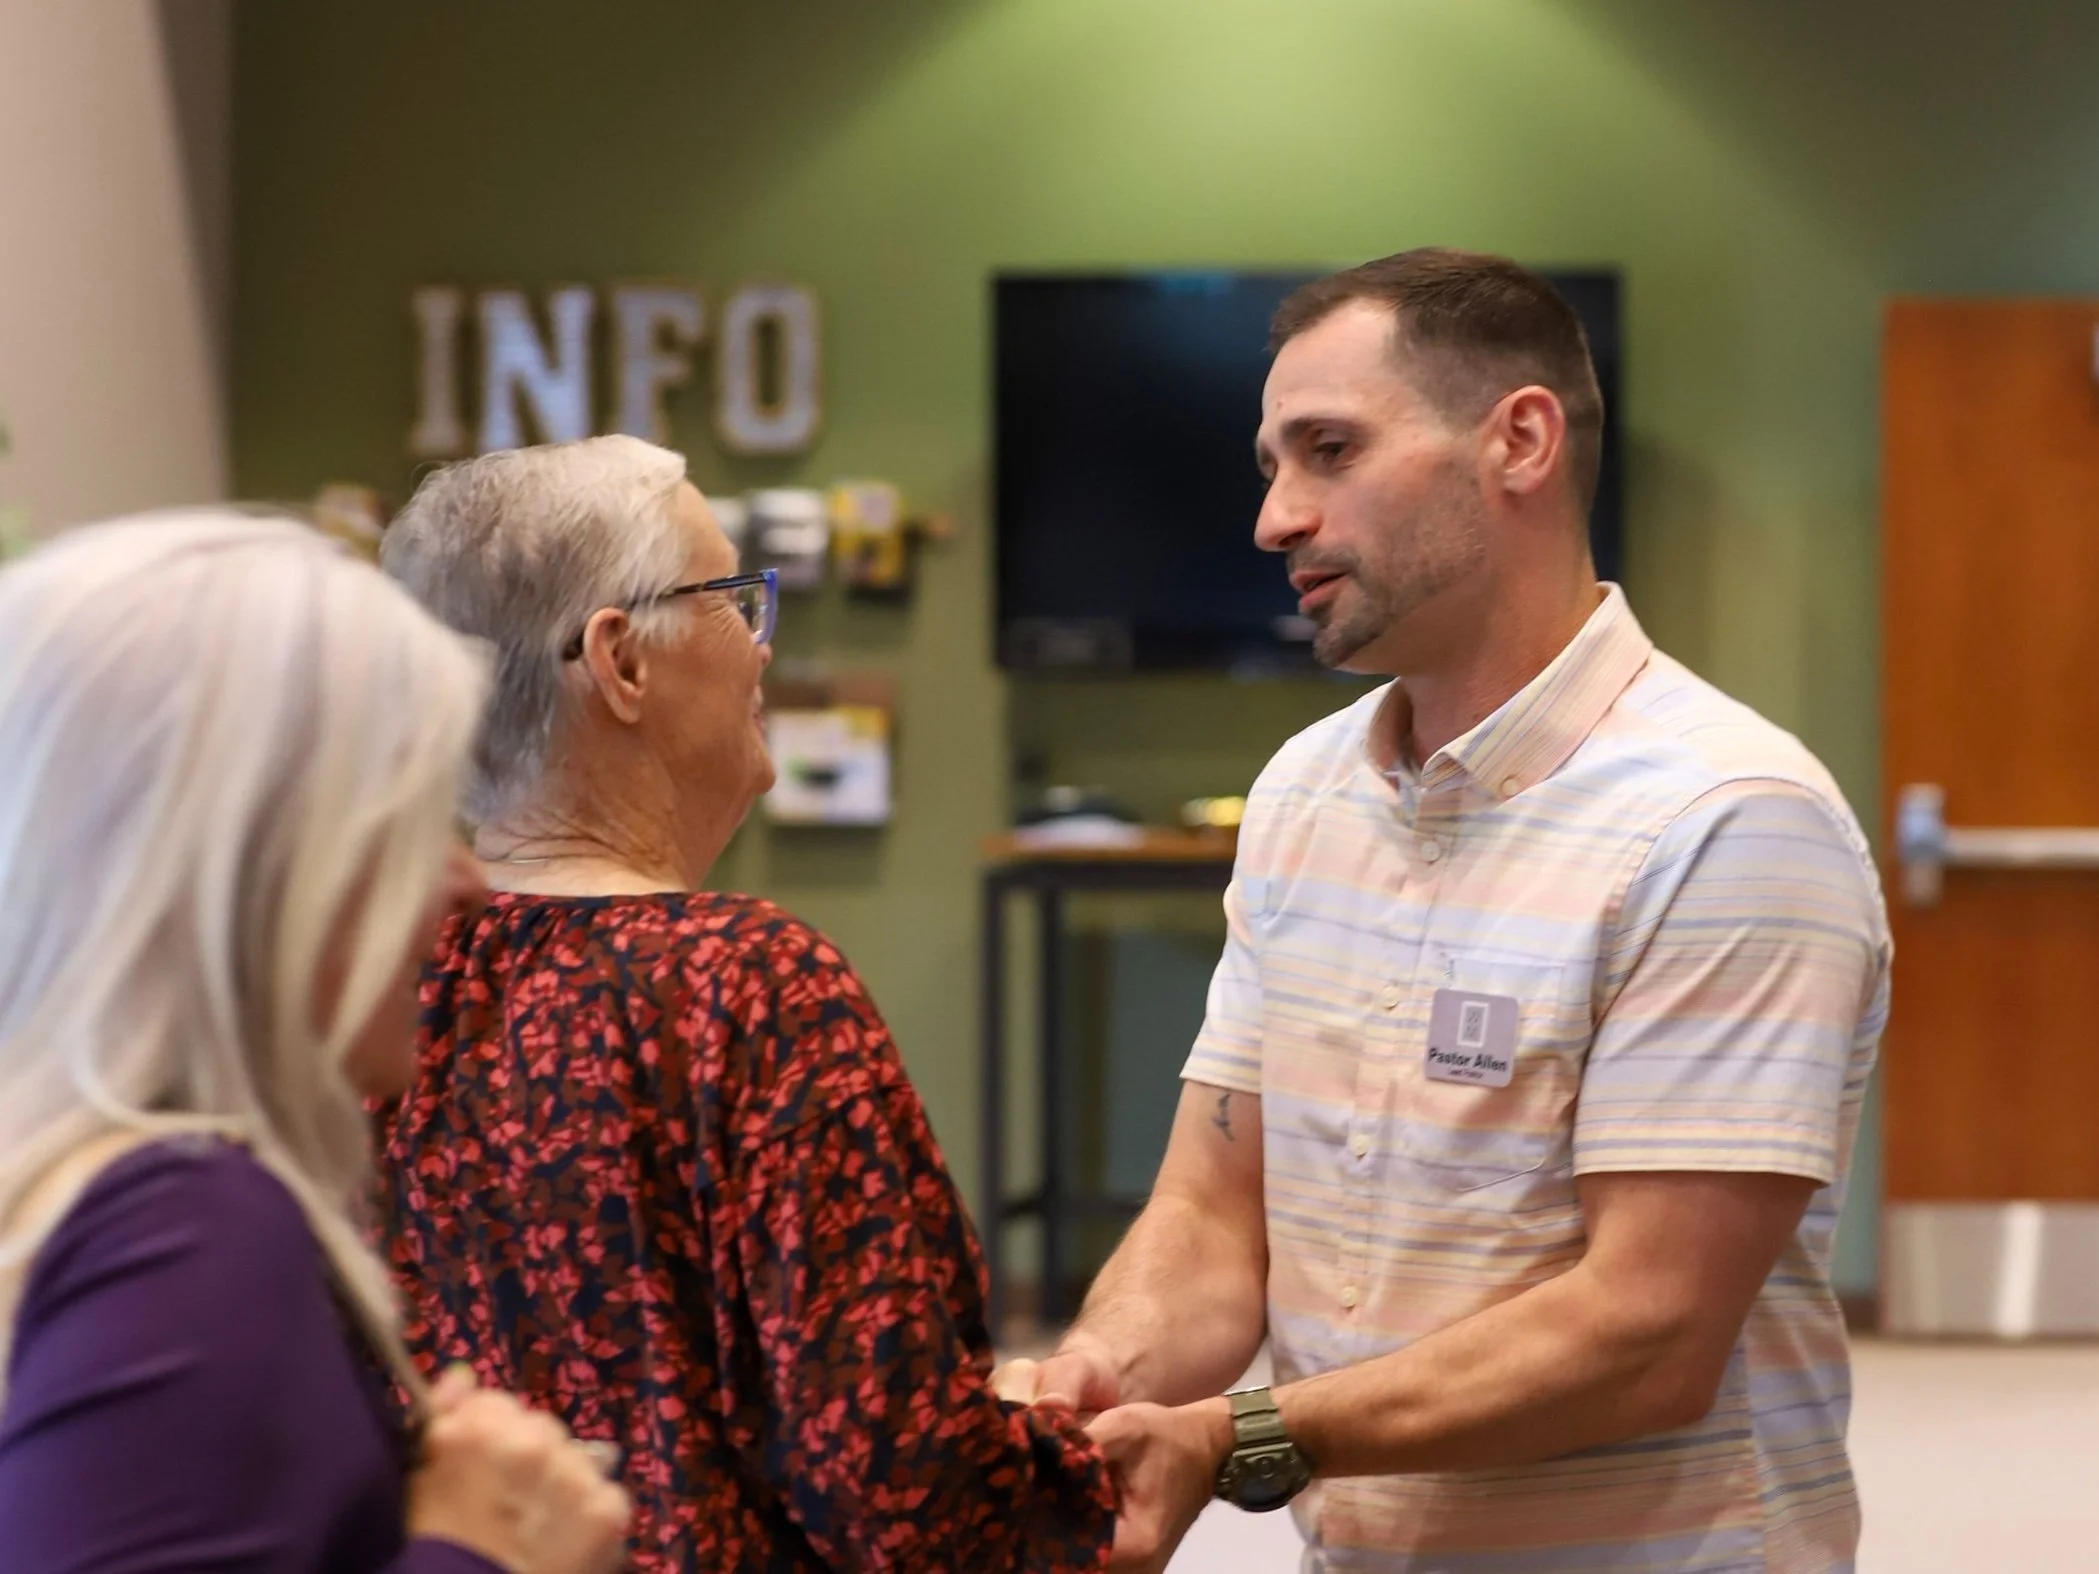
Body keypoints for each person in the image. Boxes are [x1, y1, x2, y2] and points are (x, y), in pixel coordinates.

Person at [996, 250, 1891, 1574]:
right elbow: (1209, 1206)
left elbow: (1645, 1331)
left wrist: (1234, 1435)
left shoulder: (1727, 815)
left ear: (1516, 440)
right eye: (1269, 464)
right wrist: (1091, 1387)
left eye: (1327, 450)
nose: (1274, 518)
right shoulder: (1303, 793)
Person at [375, 435, 1114, 1573]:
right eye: (730, 599)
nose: (761, 646)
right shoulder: (746, 987)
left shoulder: (380, 981)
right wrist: (1042, 1439)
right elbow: (908, 1494)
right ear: (619, 660)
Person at [0, 511, 632, 1574]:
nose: (467, 878)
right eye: (406, 818)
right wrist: (486, 1549)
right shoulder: (185, 1226)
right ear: (255, 860)